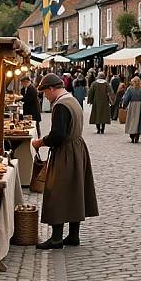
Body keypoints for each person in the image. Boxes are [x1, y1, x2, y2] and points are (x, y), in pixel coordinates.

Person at [32, 74, 98, 249]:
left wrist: (40, 142)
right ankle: (73, 235)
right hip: (77, 149)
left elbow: (58, 136)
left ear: (52, 89)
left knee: (57, 192)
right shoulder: (73, 100)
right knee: (75, 191)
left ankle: (56, 238)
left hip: (65, 152)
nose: (45, 96)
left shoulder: (61, 105)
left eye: (45, 92)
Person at [122, 76, 141, 143]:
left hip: (132, 106)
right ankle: (137, 135)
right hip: (140, 106)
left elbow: (126, 98)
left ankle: (132, 135)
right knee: (139, 120)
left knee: (131, 120)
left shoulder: (130, 89)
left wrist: (124, 105)